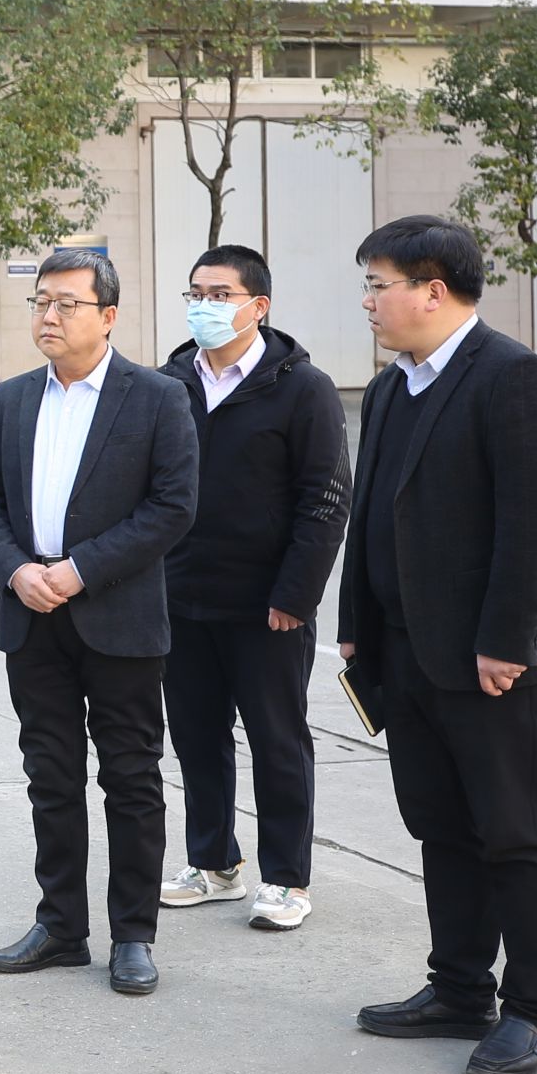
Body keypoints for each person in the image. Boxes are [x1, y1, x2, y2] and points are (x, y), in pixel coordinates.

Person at [338, 215, 537, 1074]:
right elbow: (370, 512)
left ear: (432, 290)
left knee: (514, 833)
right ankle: (458, 989)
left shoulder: (513, 376)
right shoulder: (391, 387)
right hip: (408, 650)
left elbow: (535, 524)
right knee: (441, 826)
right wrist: (356, 623)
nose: (368, 301)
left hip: (496, 660)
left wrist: (504, 642)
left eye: (378, 284)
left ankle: (531, 1012)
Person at [0, 248, 198, 995]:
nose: (50, 316)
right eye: (41, 302)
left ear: (109, 316)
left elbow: (172, 507)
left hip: (118, 616)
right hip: (32, 614)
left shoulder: (156, 397)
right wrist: (16, 570)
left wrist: (81, 569)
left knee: (130, 777)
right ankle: (61, 925)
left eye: (67, 303)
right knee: (51, 775)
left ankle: (133, 935)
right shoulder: (13, 399)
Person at [157, 245, 349, 932]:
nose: (204, 306)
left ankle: (287, 878)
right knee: (196, 736)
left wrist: (295, 595)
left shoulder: (302, 388)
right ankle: (214, 864)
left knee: (278, 740)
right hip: (181, 597)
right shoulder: (170, 382)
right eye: (195, 293)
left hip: (268, 606)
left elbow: (326, 499)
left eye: (220, 294)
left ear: (258, 306)